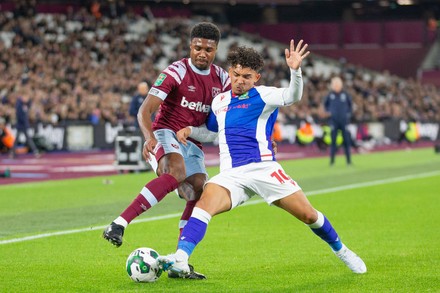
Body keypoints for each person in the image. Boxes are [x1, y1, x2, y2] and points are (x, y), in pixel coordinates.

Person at [157, 40, 367, 278]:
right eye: (235, 75)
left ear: (256, 76)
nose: (240, 81)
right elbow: (213, 131)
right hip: (231, 175)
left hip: (264, 169)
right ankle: (181, 259)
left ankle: (342, 251)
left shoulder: (265, 95)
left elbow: (293, 96)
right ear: (230, 72)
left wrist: (295, 70)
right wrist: (190, 131)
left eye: (246, 76)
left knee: (309, 215)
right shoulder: (220, 101)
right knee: (203, 205)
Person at [103, 22, 231, 279]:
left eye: (208, 49)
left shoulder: (223, 79)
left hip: (193, 141)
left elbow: (231, 117)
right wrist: (149, 137)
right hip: (165, 132)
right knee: (175, 172)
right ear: (190, 46)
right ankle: (118, 224)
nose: (202, 53)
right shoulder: (176, 71)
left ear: (215, 49)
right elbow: (145, 110)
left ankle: (178, 262)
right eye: (197, 47)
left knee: (197, 189)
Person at [324, 76, 353, 166]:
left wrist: (348, 114)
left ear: (341, 85)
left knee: (346, 141)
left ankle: (348, 161)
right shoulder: (330, 95)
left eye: (338, 84)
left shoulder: (345, 94)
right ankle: (332, 161)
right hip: (333, 121)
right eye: (335, 84)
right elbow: (326, 105)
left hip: (344, 121)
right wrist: (329, 112)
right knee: (333, 141)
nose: (336, 86)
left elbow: (350, 106)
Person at [9, 88, 40, 158]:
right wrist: (25, 123)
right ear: (23, 96)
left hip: (23, 125)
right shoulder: (19, 104)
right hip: (21, 125)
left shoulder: (24, 104)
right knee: (24, 139)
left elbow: (29, 104)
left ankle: (12, 152)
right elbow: (20, 115)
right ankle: (35, 152)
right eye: (26, 97)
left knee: (21, 139)